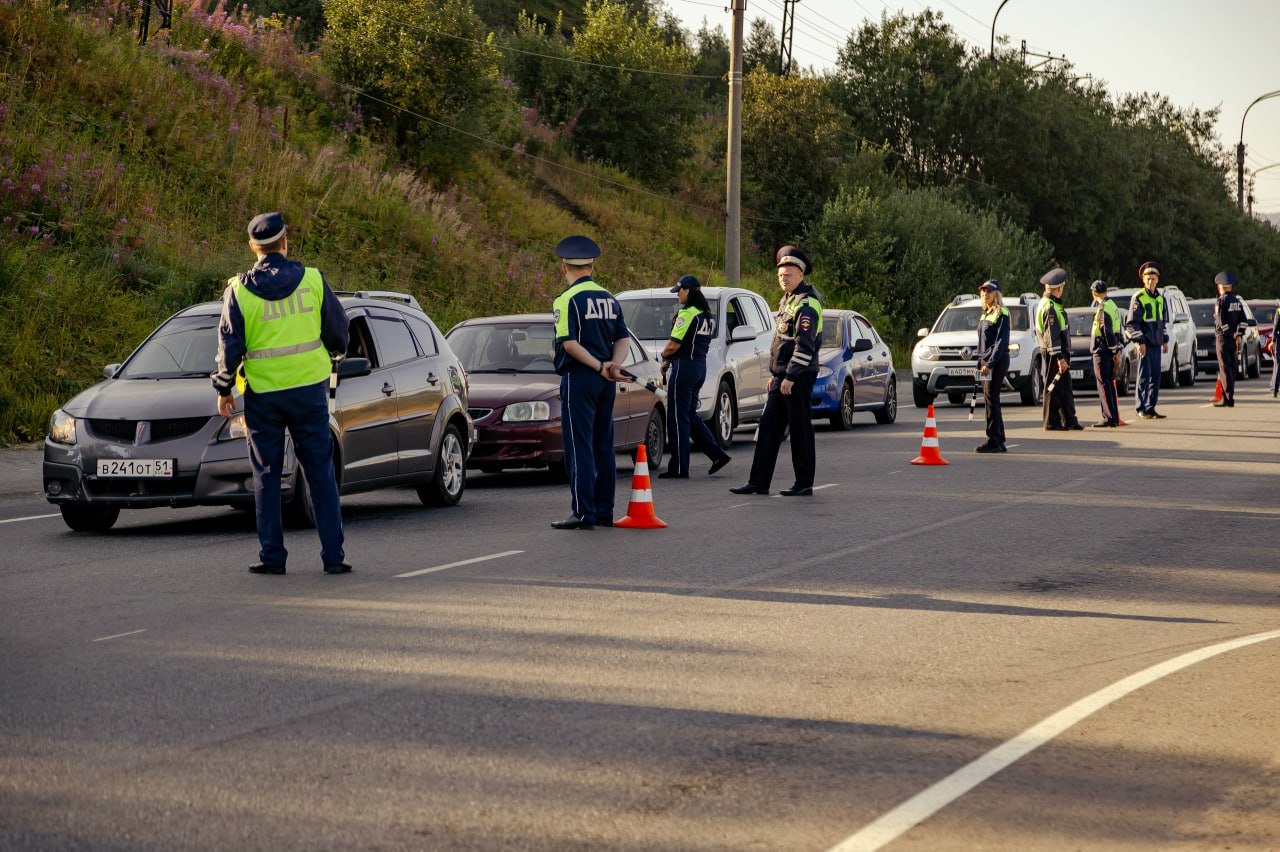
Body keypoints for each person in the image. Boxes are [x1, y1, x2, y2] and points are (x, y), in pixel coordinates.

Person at [212, 212, 351, 575]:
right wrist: (336, 354)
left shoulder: (238, 291)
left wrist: (223, 388)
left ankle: (272, 556)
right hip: (308, 392)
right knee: (320, 472)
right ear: (285, 243)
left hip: (264, 396)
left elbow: (229, 346)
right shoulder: (313, 281)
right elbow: (338, 332)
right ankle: (333, 556)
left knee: (267, 475)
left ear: (252, 247)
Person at [550, 234, 630, 530]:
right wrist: (613, 365)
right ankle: (604, 510)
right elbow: (622, 338)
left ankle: (583, 512)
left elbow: (568, 344)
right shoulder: (609, 298)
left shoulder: (566, 300)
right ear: (592, 267)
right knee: (603, 445)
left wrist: (598, 365)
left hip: (579, 378)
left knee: (578, 445)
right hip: (606, 381)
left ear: (564, 268)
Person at [730, 245, 823, 497]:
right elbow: (782, 340)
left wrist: (791, 376)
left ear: (801, 274)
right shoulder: (788, 300)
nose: (783, 277)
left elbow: (804, 344)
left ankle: (804, 483)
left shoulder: (807, 304)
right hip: (783, 376)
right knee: (769, 427)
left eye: (789, 273)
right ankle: (758, 482)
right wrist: (776, 374)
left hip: (798, 375)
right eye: (780, 274)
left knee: (800, 429)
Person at [658, 275, 732, 479]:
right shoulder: (707, 316)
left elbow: (674, 343)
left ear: (688, 291)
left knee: (676, 417)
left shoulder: (687, 313)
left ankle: (679, 467)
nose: (677, 295)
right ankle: (717, 454)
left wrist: (664, 358)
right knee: (690, 415)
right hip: (699, 367)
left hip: (683, 368)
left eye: (679, 291)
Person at [1035, 267, 1083, 431]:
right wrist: (1059, 358)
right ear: (1058, 288)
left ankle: (1069, 419)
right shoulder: (1050, 307)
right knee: (1053, 387)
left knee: (1064, 387)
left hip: (1057, 352)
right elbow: (1052, 336)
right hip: (1054, 353)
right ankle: (1051, 421)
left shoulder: (1052, 304)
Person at [1124, 261, 1168, 419]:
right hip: (1145, 345)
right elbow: (1132, 324)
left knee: (1156, 377)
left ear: (1158, 279)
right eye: (1148, 278)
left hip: (1156, 344)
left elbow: (1163, 322)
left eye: (1153, 278)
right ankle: (1141, 407)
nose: (1151, 281)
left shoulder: (1161, 298)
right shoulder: (1139, 298)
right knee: (1144, 376)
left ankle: (1151, 407)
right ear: (1143, 280)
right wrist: (1139, 342)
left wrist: (1165, 340)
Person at [974, 279, 1009, 453]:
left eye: (988, 291)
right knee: (991, 399)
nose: (984, 294)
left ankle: (994, 439)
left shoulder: (1001, 313)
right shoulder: (985, 313)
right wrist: (978, 363)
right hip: (986, 362)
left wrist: (989, 363)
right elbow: (982, 342)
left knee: (991, 398)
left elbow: (1000, 343)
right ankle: (999, 438)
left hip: (996, 361)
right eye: (983, 291)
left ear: (996, 294)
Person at [1089, 280, 1124, 427]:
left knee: (1103, 384)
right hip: (1110, 350)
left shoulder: (1102, 308)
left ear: (1093, 293)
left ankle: (1109, 418)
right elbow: (1118, 330)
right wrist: (1117, 349)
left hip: (1102, 351)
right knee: (1109, 383)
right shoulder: (1113, 306)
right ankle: (1113, 416)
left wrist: (1113, 349)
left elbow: (1105, 330)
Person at [1212, 271, 1246, 408]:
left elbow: (1221, 322)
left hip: (1223, 339)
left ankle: (1228, 398)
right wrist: (1239, 334)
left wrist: (1232, 333)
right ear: (1230, 287)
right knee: (1231, 369)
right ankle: (1229, 396)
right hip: (1234, 340)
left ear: (1220, 287)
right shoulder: (1237, 301)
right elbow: (1244, 321)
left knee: (1224, 369)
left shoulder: (1221, 302)